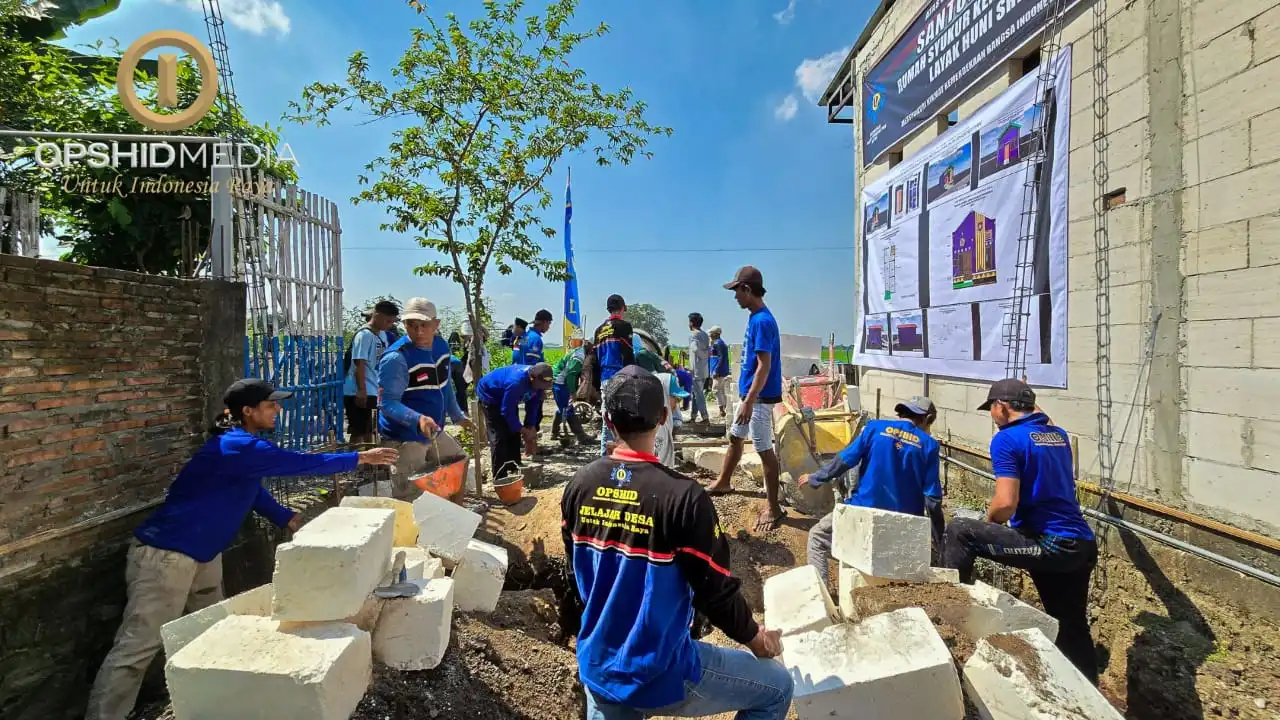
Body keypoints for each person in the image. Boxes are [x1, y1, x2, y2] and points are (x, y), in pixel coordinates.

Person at [85, 379, 399, 720]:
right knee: (137, 647)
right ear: (248, 412)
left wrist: (286, 517)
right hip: (167, 555)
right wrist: (359, 457)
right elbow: (294, 464)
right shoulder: (238, 446)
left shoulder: (241, 448)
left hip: (203, 552)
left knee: (209, 632)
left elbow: (250, 489)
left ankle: (195, 700)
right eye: (270, 405)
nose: (278, 410)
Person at [559, 366, 792, 720]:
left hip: (598, 666)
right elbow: (715, 591)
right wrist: (757, 640)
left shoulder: (579, 485)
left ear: (607, 419)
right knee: (777, 687)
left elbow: (575, 575)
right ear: (665, 416)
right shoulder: (683, 497)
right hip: (660, 671)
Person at [942, 379, 1099, 684]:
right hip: (1081, 545)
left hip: (1050, 543)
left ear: (1001, 407)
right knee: (1070, 627)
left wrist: (989, 524)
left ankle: (948, 625)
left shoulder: (1006, 440)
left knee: (961, 531)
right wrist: (1026, 393)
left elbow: (1005, 503)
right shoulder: (1058, 436)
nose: (991, 415)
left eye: (992, 408)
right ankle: (1088, 698)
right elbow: (1039, 416)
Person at [800, 396, 944, 588]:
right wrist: (938, 538)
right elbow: (932, 498)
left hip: (863, 511)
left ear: (902, 413)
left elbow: (844, 460)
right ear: (926, 419)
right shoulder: (929, 445)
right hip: (904, 522)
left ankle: (822, 598)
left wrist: (816, 479)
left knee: (817, 536)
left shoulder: (874, 428)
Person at [707, 266, 785, 532]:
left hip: (759, 398)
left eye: (737, 291)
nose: (735, 297)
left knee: (764, 449)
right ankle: (724, 481)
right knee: (736, 437)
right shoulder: (755, 317)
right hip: (750, 395)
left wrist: (750, 401)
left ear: (747, 289)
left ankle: (774, 508)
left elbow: (764, 365)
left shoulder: (762, 321)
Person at [377, 297, 473, 501]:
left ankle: (454, 518)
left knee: (460, 462)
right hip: (404, 436)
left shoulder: (441, 347)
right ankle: (416, 531)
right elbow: (387, 403)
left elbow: (444, 385)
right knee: (412, 493)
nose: (418, 331)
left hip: (432, 429)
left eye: (424, 325)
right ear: (404, 325)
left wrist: (457, 416)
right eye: (412, 325)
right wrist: (417, 419)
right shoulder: (396, 358)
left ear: (436, 324)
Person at [476, 362, 554, 483]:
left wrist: (530, 426)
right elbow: (506, 411)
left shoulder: (538, 384)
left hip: (508, 397)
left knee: (513, 433)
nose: (540, 387)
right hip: (491, 396)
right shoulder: (516, 383)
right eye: (539, 385)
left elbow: (533, 405)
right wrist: (523, 430)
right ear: (531, 378)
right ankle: (500, 477)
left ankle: (514, 467)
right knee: (499, 437)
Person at [343, 300, 399, 444]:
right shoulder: (364, 335)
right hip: (360, 390)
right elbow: (359, 363)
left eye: (392, 322)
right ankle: (352, 461)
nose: (390, 325)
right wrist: (361, 390)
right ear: (378, 316)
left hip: (374, 390)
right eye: (388, 321)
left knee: (371, 430)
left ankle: (370, 463)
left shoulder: (382, 335)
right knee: (359, 431)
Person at [590, 294, 636, 455]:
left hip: (605, 378)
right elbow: (627, 354)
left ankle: (605, 457)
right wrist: (633, 375)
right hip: (621, 377)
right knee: (624, 416)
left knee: (607, 417)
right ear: (622, 308)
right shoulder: (624, 327)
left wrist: (596, 384)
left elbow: (594, 360)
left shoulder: (598, 331)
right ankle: (625, 454)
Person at [552, 340, 593, 443]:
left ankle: (554, 432)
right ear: (589, 345)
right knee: (568, 409)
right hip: (560, 381)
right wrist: (573, 392)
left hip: (558, 379)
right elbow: (571, 376)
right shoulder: (579, 357)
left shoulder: (579, 351)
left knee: (563, 407)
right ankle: (581, 436)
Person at [653, 369, 689, 466]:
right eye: (675, 398)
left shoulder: (663, 422)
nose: (676, 404)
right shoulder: (658, 428)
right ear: (663, 395)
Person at [687, 312, 712, 423]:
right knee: (696, 394)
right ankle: (693, 416)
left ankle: (705, 417)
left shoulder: (693, 335)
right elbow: (708, 350)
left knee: (698, 394)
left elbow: (695, 349)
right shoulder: (705, 335)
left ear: (691, 323)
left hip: (696, 370)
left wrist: (701, 355)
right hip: (704, 369)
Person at [708, 326, 732, 419]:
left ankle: (722, 409)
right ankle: (723, 409)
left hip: (718, 372)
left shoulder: (718, 344)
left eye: (711, 333)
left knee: (716, 390)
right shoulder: (717, 343)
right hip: (718, 370)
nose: (710, 335)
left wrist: (716, 370)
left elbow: (721, 358)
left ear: (716, 334)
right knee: (720, 390)